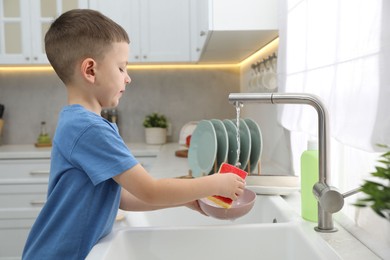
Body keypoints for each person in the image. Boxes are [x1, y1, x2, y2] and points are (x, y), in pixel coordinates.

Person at [22, 9, 245, 259]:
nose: (128, 78)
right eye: (121, 68)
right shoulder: (89, 128)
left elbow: (124, 198)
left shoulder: (81, 122)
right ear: (90, 70)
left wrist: (185, 197)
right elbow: (150, 190)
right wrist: (214, 183)